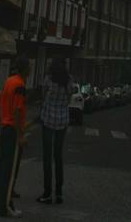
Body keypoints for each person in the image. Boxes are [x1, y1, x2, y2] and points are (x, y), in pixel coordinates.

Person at [0, 55, 29, 218]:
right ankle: (4, 206)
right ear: (26, 70)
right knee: (8, 170)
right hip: (12, 129)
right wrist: (20, 135)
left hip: (4, 126)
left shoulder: (9, 81)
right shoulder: (20, 86)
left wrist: (1, 122)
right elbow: (17, 110)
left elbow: (1, 101)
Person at [37, 57, 74, 205]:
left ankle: (47, 193)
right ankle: (59, 193)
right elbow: (70, 96)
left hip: (47, 120)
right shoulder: (69, 80)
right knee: (58, 156)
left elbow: (42, 95)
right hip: (62, 120)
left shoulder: (48, 79)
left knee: (47, 157)